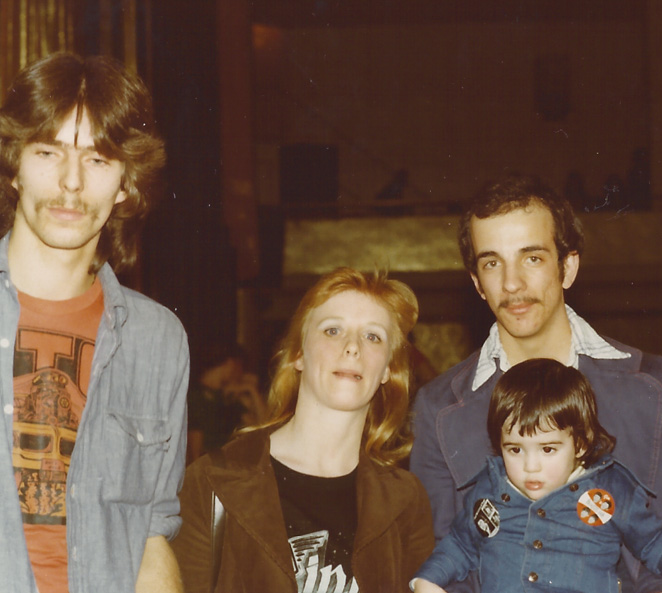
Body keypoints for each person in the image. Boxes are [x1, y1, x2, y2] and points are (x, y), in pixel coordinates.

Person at [410, 174, 662, 592]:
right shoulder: (438, 408)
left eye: (532, 258)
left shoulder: (651, 385)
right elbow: (444, 555)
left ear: (568, 267)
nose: (512, 284)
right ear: (476, 282)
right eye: (492, 263)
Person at [0, 53, 186, 592]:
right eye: (48, 152)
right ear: (14, 165)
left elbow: (152, 531)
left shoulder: (158, 341)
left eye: (99, 160)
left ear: (126, 183)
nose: (72, 182)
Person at [173, 268, 435, 592]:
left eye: (372, 336)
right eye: (333, 330)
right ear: (298, 354)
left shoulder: (406, 500)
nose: (352, 347)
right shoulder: (209, 483)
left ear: (387, 370)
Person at [413, 359, 662, 593]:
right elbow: (460, 545)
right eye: (515, 449)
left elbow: (655, 541)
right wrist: (427, 581)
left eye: (548, 449)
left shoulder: (608, 491)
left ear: (580, 443)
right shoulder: (490, 492)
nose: (531, 466)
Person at [186, 342, 267, 464]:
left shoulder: (227, 396)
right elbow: (195, 452)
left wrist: (252, 390)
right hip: (210, 472)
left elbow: (263, 426)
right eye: (241, 367)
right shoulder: (195, 396)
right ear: (231, 363)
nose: (241, 374)